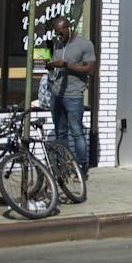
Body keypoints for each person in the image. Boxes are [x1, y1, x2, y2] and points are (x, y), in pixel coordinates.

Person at [45, 16, 96, 177]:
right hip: (56, 94)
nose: (58, 36)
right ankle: (62, 166)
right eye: (56, 33)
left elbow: (90, 70)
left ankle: (82, 166)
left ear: (69, 28)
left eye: (60, 33)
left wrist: (66, 65)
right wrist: (51, 65)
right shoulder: (58, 44)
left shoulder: (84, 44)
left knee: (76, 132)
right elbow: (55, 63)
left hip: (73, 96)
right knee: (61, 133)